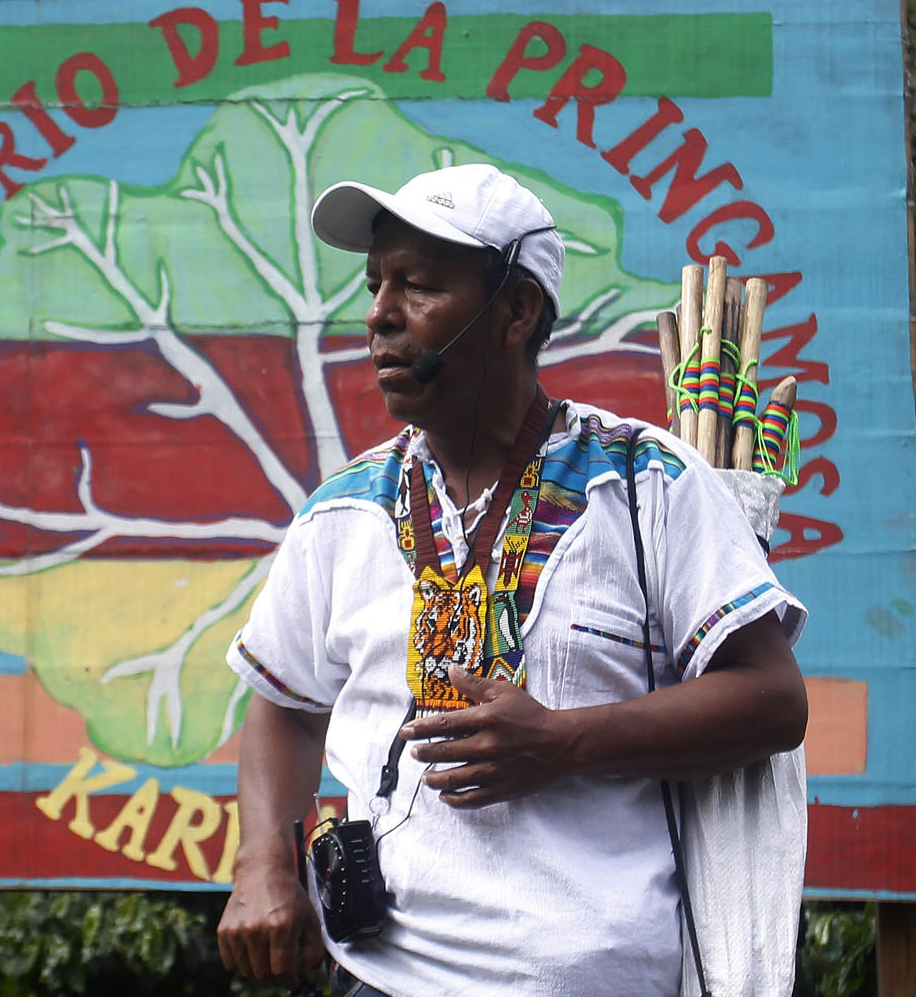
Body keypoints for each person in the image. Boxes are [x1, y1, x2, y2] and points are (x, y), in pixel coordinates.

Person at [217, 163, 808, 997]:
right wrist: (262, 865)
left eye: (417, 285)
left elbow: (773, 700)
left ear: (517, 311)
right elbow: (283, 709)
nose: (380, 315)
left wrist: (565, 741)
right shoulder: (340, 513)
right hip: (385, 977)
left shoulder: (647, 482)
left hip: (598, 979)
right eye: (375, 285)